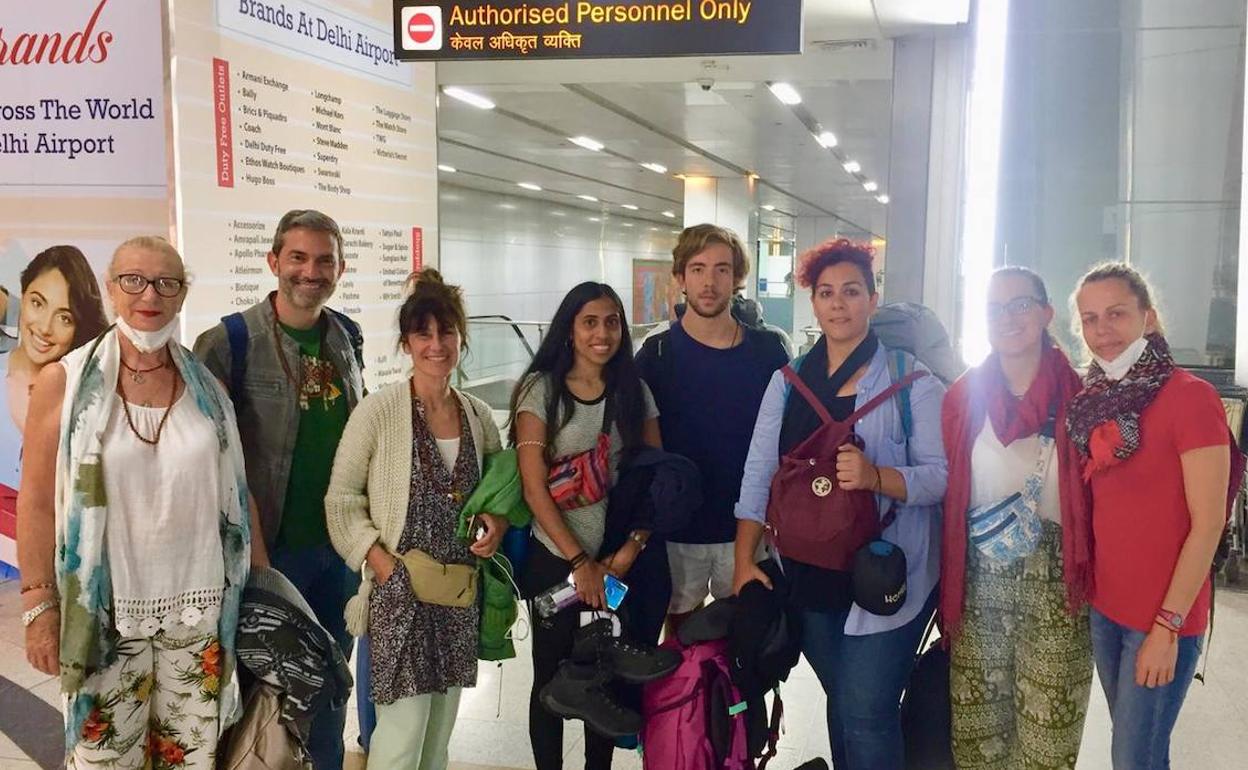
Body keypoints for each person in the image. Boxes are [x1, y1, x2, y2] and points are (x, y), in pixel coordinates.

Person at [17, 236, 267, 767]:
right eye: (133, 279)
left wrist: (261, 591)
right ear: (110, 290)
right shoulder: (63, 382)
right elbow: (36, 501)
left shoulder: (209, 391)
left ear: (181, 295)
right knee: (103, 759)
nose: (148, 294)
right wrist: (39, 605)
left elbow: (237, 498)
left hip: (199, 618)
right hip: (104, 617)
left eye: (165, 282)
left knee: (191, 760)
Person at [732, 238, 947, 769]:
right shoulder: (786, 384)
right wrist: (743, 560)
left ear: (872, 300)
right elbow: (759, 471)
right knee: (844, 700)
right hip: (808, 570)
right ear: (814, 303)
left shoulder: (911, 382)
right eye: (826, 292)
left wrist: (877, 477)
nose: (838, 303)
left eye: (851, 291)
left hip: (887, 572)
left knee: (867, 710)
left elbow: (941, 478)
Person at [193, 209, 364, 770]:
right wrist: (256, 562)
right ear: (273, 262)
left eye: (324, 260)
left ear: (339, 268)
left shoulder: (346, 336)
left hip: (338, 551)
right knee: (264, 690)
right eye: (298, 257)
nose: (310, 271)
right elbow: (213, 464)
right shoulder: (228, 343)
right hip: (267, 558)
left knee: (331, 682)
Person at [325, 269, 507, 769]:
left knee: (438, 736)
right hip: (401, 593)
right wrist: (380, 562)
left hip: (457, 595)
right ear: (406, 342)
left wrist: (497, 524)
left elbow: (498, 493)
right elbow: (341, 498)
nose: (436, 344)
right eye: (424, 334)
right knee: (400, 736)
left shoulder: (476, 415)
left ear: (460, 338)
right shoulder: (379, 412)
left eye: (446, 332)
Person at [1067, 262, 1233, 769]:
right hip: (1106, 609)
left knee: (1134, 757)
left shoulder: (1190, 397)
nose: (1103, 330)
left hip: (1163, 618)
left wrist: (1167, 627)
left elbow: (1208, 524)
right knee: (1134, 748)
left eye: (1117, 314)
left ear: (1149, 316)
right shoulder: (1091, 402)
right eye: (1091, 319)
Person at [941, 267, 1093, 769]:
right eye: (994, 308)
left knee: (1047, 743)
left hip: (1057, 592)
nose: (1007, 318)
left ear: (1047, 314)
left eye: (1020, 304)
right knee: (977, 738)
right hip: (978, 588)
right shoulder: (963, 398)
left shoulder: (1082, 400)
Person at [510, 282, 661, 770]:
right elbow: (534, 489)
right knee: (552, 682)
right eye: (590, 322)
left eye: (612, 322)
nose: (602, 333)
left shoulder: (634, 391)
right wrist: (579, 562)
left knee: (604, 681)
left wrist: (630, 549)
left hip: (617, 562)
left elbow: (654, 476)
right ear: (570, 330)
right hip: (554, 560)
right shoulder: (542, 391)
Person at [635, 224, 787, 635]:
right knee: (682, 644)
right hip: (678, 531)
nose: (709, 281)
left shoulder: (768, 351)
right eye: (698, 269)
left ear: (737, 278)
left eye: (722, 269)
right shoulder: (656, 354)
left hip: (747, 528)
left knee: (744, 648)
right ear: (681, 278)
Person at [1, 246, 108, 485]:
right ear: (22, 295)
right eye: (37, 303)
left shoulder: (89, 395)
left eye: (64, 318)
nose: (45, 327)